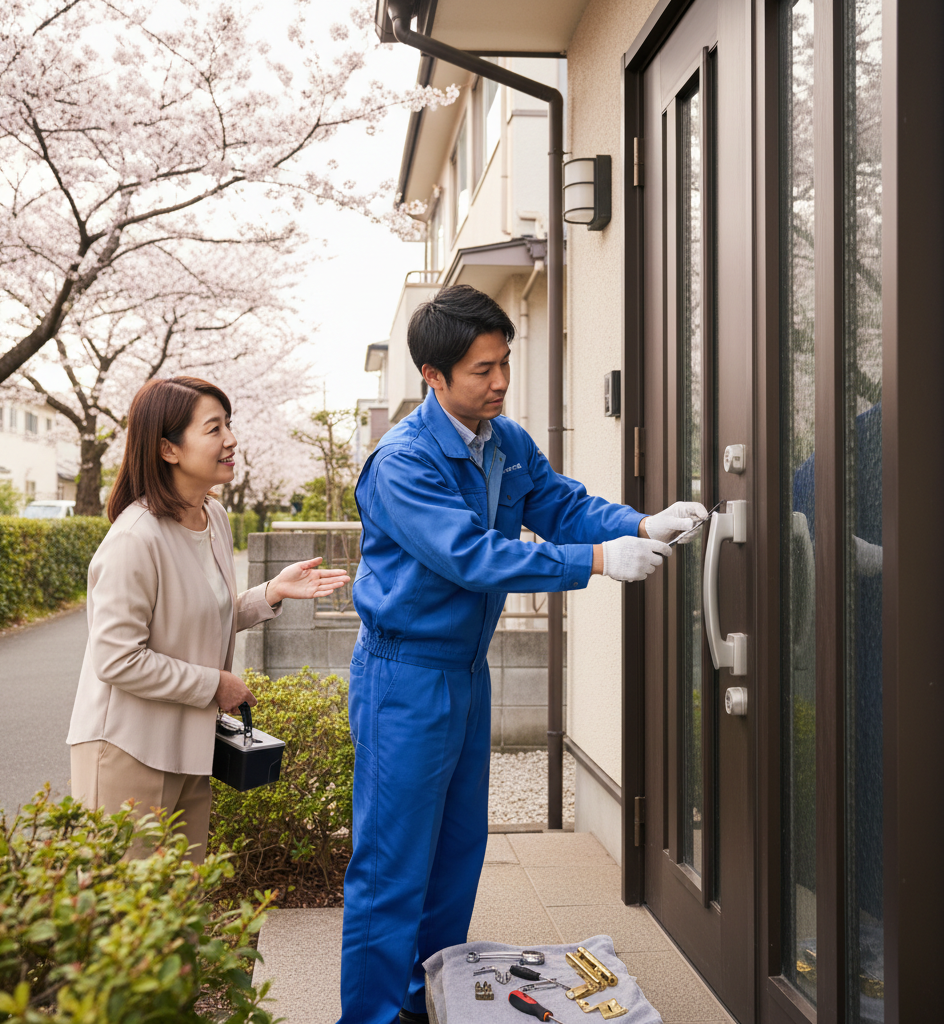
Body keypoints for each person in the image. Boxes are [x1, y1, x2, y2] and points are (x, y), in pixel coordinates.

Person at [337, 285, 707, 1024]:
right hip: (402, 677)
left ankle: (426, 1001)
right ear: (433, 376)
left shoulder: (504, 441)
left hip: (465, 676)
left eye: (505, 362)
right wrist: (599, 561)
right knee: (390, 870)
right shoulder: (401, 463)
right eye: (482, 369)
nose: (500, 381)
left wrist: (642, 520)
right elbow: (471, 557)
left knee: (455, 859)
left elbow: (562, 505)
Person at [67, 376, 349, 862]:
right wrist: (213, 684)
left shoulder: (211, 517)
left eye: (229, 425)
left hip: (190, 747)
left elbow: (196, 618)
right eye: (214, 428)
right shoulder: (135, 538)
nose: (231, 440)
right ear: (168, 449)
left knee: (179, 915)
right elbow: (115, 659)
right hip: (126, 751)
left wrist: (271, 593)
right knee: (127, 923)